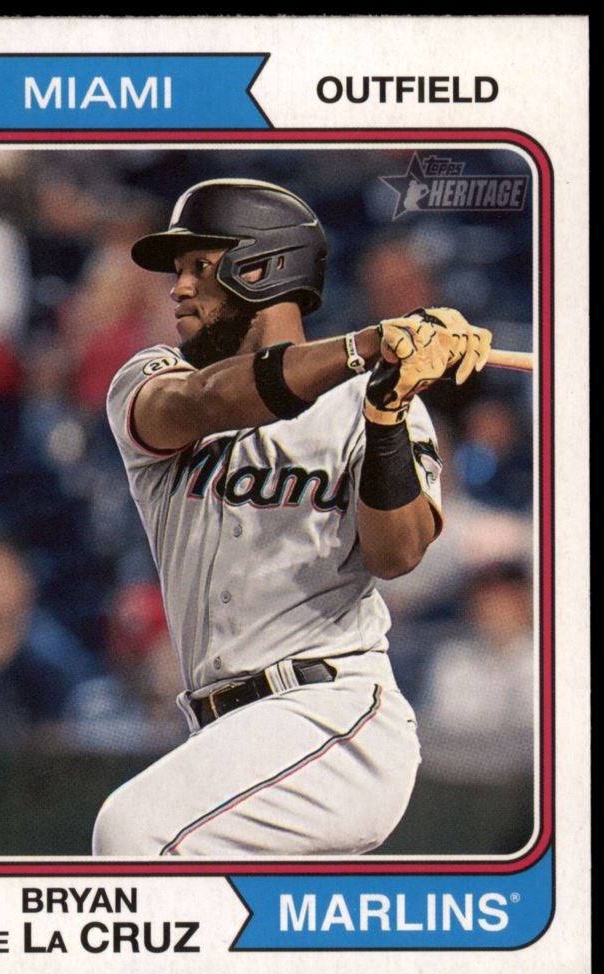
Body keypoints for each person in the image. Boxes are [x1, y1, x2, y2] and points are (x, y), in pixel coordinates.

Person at [92, 178, 491, 857]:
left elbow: (396, 554)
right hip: (230, 736)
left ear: (265, 266)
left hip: (335, 718)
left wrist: (387, 413)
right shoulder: (153, 377)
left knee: (135, 831)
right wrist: (363, 348)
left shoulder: (365, 400)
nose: (177, 288)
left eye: (198, 265)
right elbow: (205, 402)